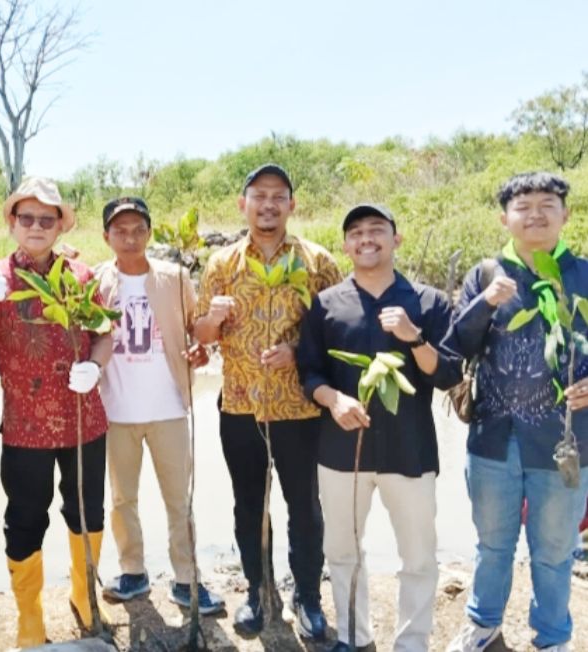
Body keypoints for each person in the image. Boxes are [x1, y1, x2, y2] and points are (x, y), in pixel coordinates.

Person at [0, 177, 111, 648]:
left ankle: (84, 597)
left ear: (60, 225)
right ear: (12, 222)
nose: (37, 226)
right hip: (25, 429)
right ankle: (29, 616)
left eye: (47, 218)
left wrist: (96, 367)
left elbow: (104, 332)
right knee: (24, 520)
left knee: (88, 513)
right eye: (27, 218)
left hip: (84, 421)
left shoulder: (80, 278)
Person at [297, 204, 462, 652]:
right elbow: (309, 373)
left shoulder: (428, 302)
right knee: (343, 551)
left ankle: (412, 643)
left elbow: (448, 375)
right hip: (340, 451)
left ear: (396, 238)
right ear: (346, 245)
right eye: (356, 232)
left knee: (419, 556)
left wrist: (414, 338)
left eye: (376, 230)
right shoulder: (327, 304)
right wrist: (333, 399)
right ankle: (354, 637)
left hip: (410, 452)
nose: (366, 239)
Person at [443, 172, 588, 652]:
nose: (536, 214)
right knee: (493, 545)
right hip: (493, 438)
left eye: (548, 204)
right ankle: (483, 625)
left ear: (566, 215)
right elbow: (455, 347)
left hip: (566, 440)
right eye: (523, 205)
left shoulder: (583, 275)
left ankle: (552, 637)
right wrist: (484, 304)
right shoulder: (486, 276)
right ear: (504, 217)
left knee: (554, 552)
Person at [194, 163, 341, 638]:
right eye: (259, 195)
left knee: (306, 505)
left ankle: (309, 596)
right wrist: (212, 320)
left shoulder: (317, 262)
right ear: (243, 205)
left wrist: (298, 352)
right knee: (248, 505)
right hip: (240, 405)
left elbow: (334, 332)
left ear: (292, 206)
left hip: (300, 407)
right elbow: (200, 334)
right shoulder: (222, 265)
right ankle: (259, 592)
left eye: (279, 196)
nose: (269, 204)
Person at [94, 196, 225, 615]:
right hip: (115, 411)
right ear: (106, 236)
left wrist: (201, 351)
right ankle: (132, 571)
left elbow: (194, 331)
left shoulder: (174, 277)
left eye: (137, 229)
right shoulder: (95, 281)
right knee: (121, 500)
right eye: (120, 230)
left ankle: (187, 579)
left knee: (178, 500)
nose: (129, 238)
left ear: (149, 233)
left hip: (169, 406)